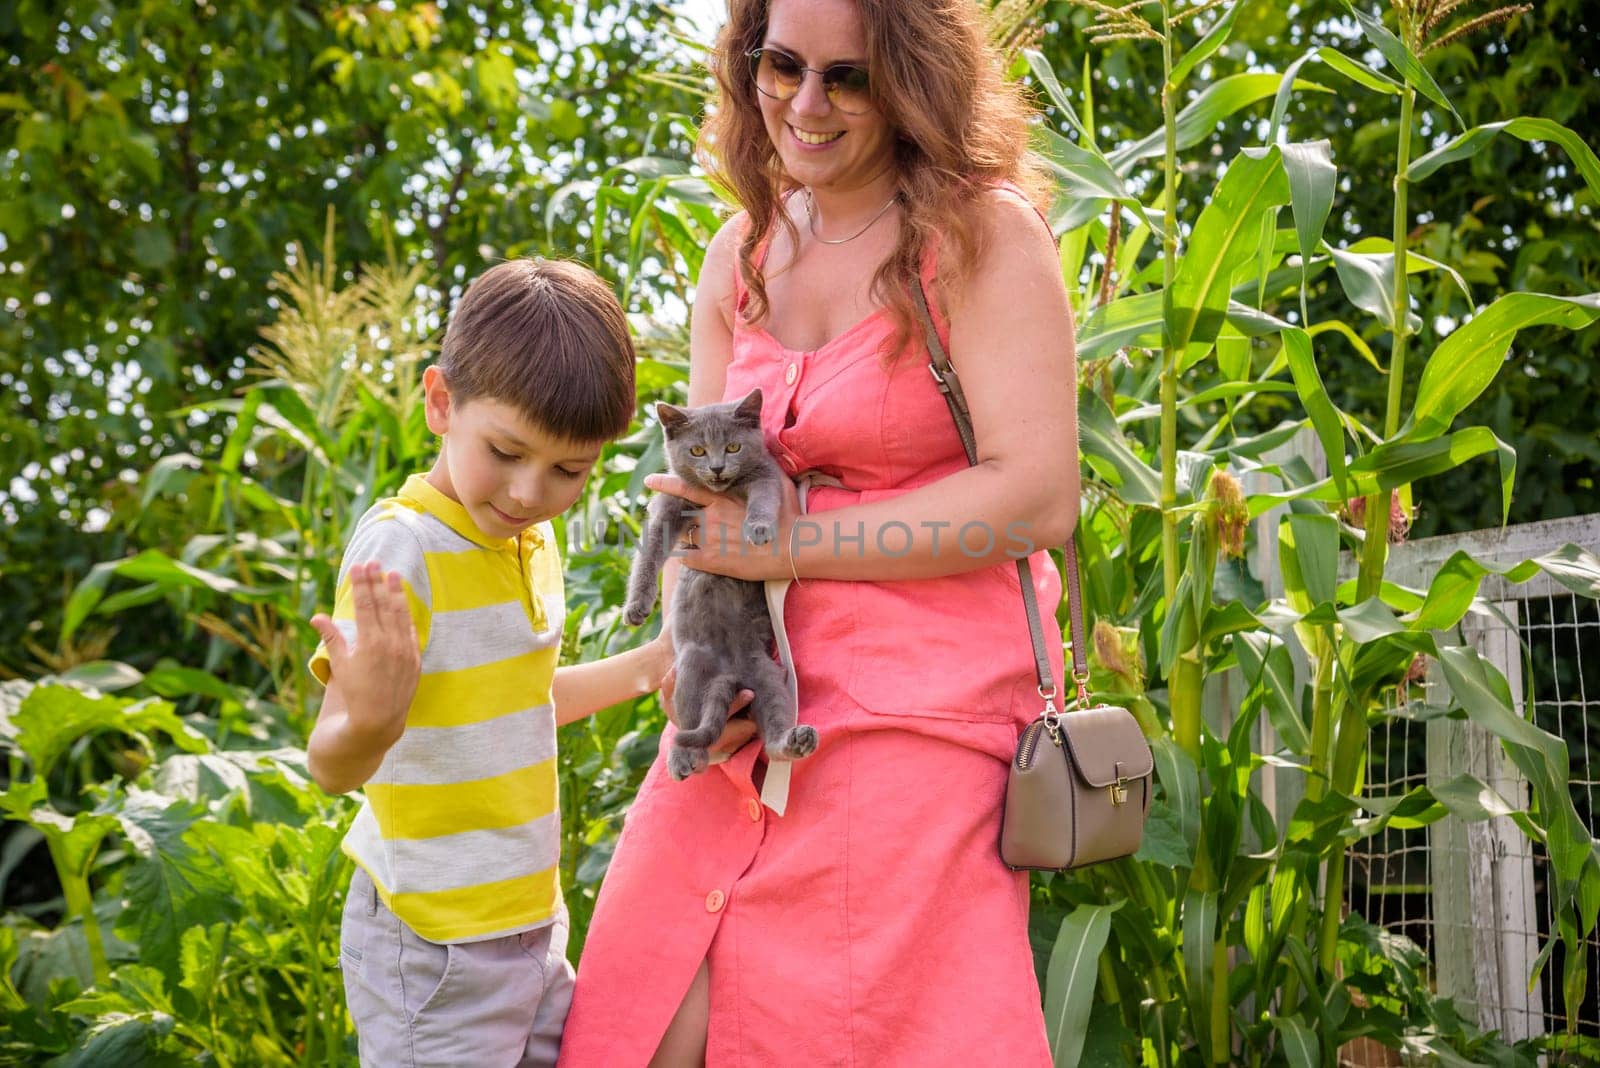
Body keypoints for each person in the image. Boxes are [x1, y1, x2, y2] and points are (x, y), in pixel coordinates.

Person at [558, 0, 1080, 1063]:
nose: (806, 103)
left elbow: (1033, 496)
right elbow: (704, 508)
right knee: (639, 1024)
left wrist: (792, 547)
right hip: (741, 717)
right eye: (781, 64)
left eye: (847, 76)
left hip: (913, 728)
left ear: (910, 79)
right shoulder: (738, 256)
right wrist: (684, 646)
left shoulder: (978, 236)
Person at [306, 258, 673, 1067]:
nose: (529, 492)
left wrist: (652, 664)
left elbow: (514, 701)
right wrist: (370, 716)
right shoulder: (404, 546)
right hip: (431, 941)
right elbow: (331, 762)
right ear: (441, 403)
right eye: (505, 451)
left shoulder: (524, 537)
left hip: (525, 925)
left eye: (568, 470)